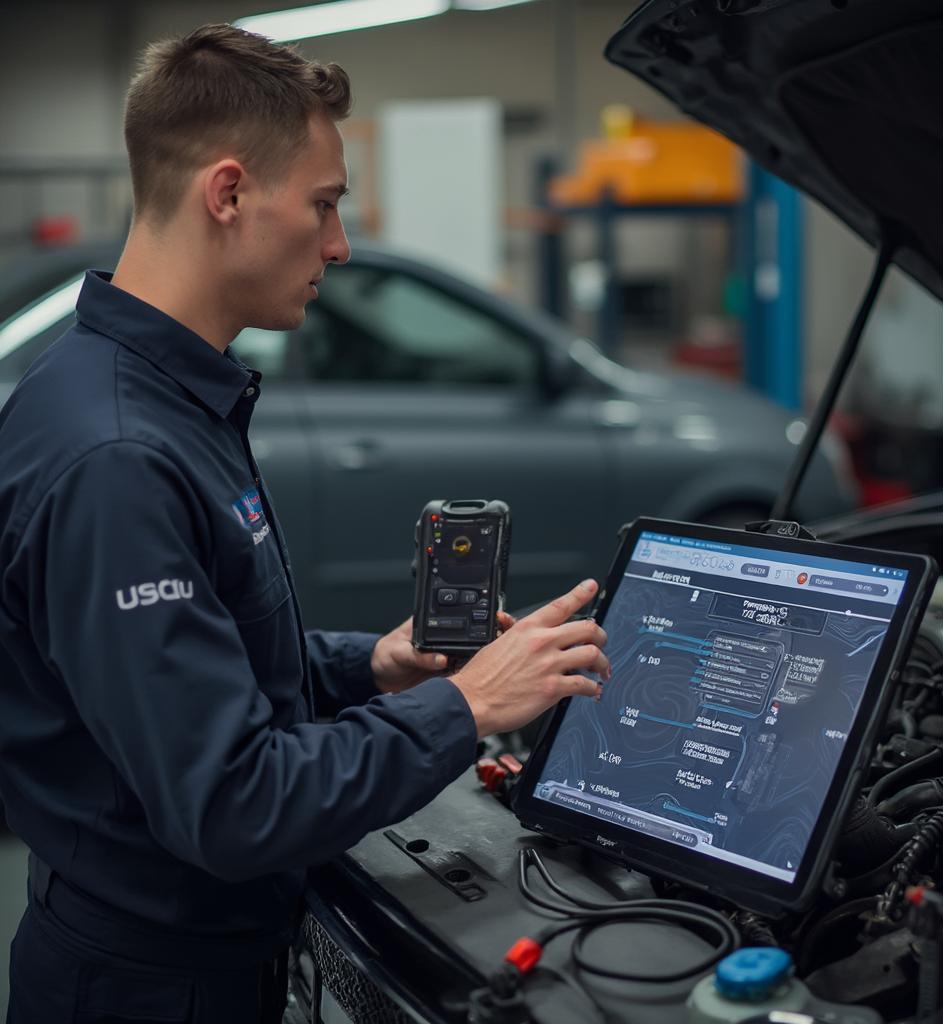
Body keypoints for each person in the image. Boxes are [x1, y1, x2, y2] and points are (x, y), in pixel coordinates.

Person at [0, 24, 610, 1023]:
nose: (339, 244)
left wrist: (367, 664)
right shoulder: (116, 456)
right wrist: (464, 706)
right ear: (229, 193)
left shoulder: (149, 395)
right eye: (324, 205)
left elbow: (205, 662)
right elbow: (232, 800)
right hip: (147, 988)